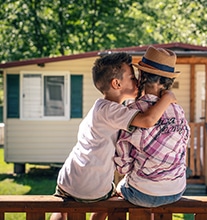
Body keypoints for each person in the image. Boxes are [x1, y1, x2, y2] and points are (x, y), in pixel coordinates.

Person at [50, 52, 177, 220]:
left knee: (62, 210)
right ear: (117, 83)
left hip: (69, 177)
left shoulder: (100, 107)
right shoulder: (112, 110)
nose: (138, 81)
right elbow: (147, 120)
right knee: (112, 199)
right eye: (132, 77)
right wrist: (167, 98)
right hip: (93, 185)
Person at [114, 46, 190, 208]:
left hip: (142, 193)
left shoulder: (134, 112)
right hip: (176, 190)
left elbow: (123, 165)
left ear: (141, 76)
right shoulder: (178, 110)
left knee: (118, 188)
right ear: (168, 81)